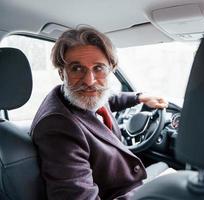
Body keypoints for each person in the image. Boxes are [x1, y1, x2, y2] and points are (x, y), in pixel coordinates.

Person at [30, 27, 168, 200]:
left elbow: (108, 100)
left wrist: (139, 97)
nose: (90, 81)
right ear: (61, 73)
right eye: (77, 69)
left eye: (99, 68)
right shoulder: (58, 128)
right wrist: (153, 193)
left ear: (111, 70)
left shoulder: (76, 96)